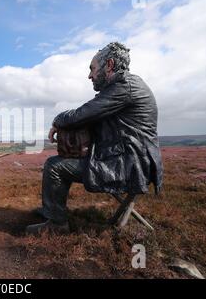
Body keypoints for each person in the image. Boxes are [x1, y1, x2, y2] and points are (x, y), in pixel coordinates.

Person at [26, 42, 163, 235]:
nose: (89, 75)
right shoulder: (126, 85)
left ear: (109, 64)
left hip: (130, 166)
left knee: (54, 166)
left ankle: (57, 224)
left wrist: (58, 121)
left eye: (92, 69)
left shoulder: (124, 86)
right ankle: (52, 210)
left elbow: (83, 113)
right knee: (61, 163)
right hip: (133, 160)